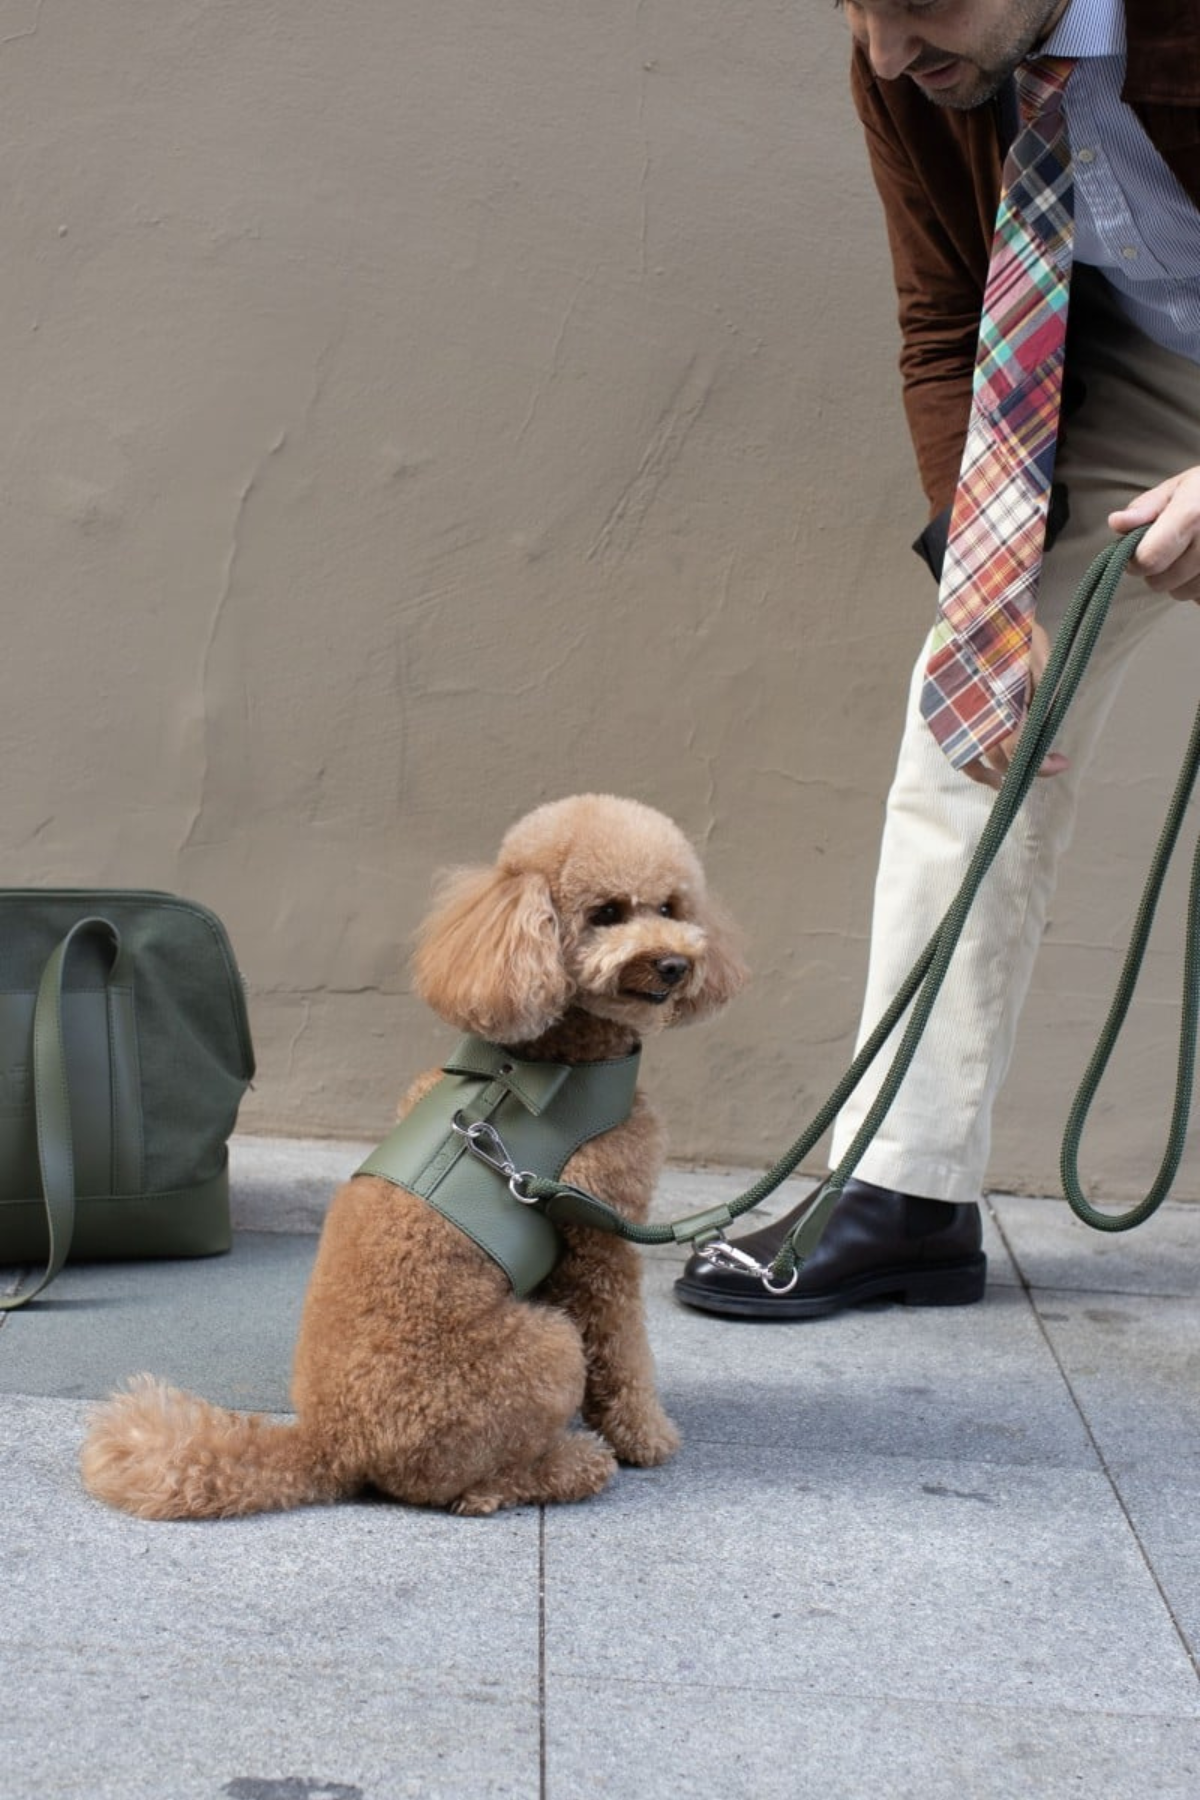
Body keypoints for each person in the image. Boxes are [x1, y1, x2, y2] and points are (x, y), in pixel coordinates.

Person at [675, 0, 1200, 1320]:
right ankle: (903, 1193)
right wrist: (992, 599)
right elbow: (944, 317)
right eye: (860, 9)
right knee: (968, 712)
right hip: (1140, 378)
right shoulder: (917, 60)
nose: (891, 52)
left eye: (916, 5)